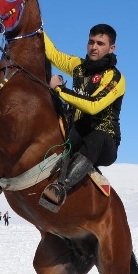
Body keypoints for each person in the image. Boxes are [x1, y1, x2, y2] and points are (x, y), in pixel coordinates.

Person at [40, 24, 126, 210]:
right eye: (91, 42)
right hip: (78, 133)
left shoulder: (115, 78)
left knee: (97, 137)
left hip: (105, 142)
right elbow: (53, 54)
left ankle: (60, 188)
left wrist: (59, 89)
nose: (94, 47)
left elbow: (94, 106)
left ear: (111, 48)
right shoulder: (78, 67)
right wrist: (36, 29)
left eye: (100, 43)